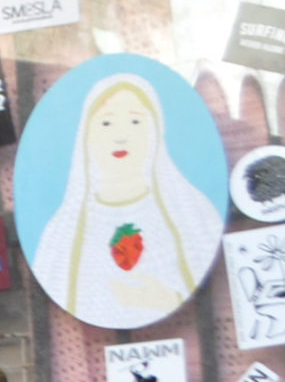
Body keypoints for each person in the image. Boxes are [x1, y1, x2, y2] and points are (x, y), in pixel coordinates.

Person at [26, 75, 224, 328]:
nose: (121, 137)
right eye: (106, 123)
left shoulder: (193, 213)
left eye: (135, 121)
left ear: (156, 131)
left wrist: (165, 300)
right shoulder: (62, 234)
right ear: (86, 136)